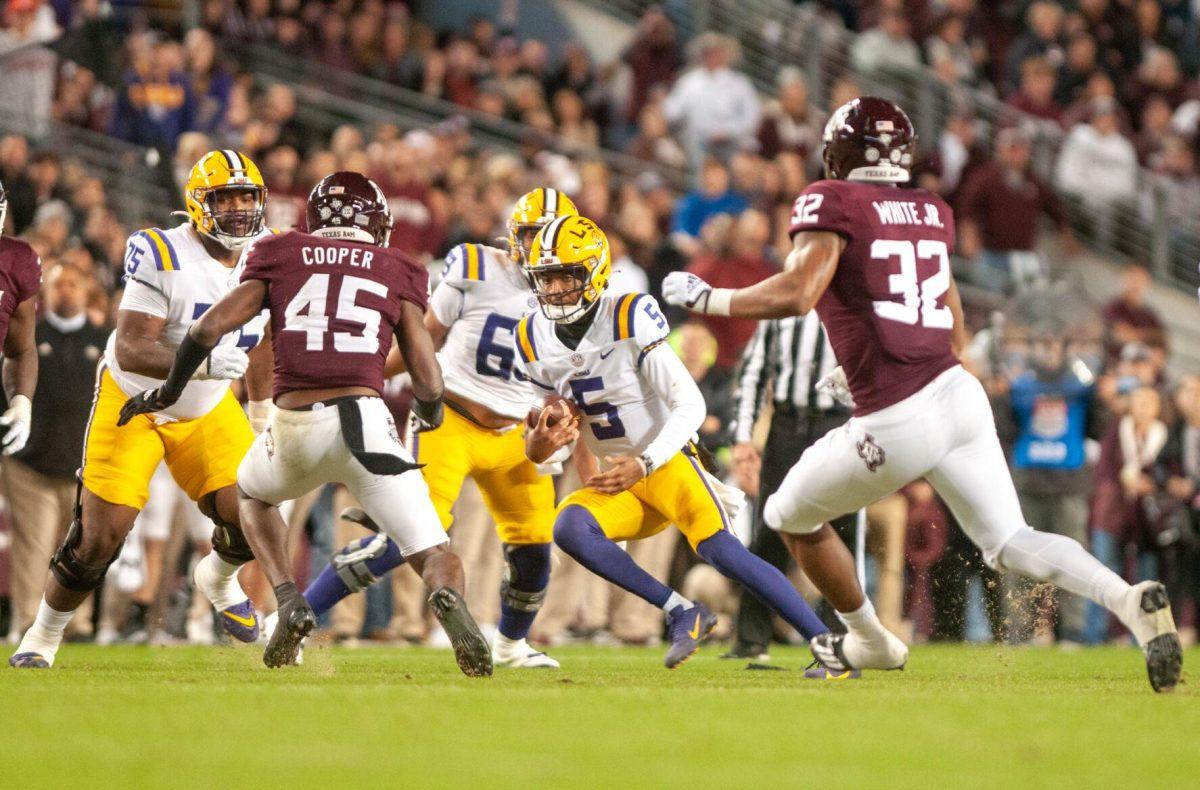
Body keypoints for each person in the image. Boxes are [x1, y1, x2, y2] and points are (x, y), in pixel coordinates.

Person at [663, 96, 1182, 692]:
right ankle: (1126, 598)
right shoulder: (929, 208)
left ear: (839, 151)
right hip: (956, 392)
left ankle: (869, 638)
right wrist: (871, 361)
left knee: (787, 513)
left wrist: (711, 299)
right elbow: (947, 308)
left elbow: (801, 292)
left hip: (897, 413)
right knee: (1011, 541)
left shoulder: (831, 200)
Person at [118, 171, 492, 677]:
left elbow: (208, 328)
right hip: (368, 422)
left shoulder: (281, 251)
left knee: (252, 497)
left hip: (294, 422)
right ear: (377, 223)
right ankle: (448, 599)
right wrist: (428, 415)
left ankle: (288, 597)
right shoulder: (399, 267)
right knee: (434, 551)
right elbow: (428, 378)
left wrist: (170, 386)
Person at [514, 214, 829, 670]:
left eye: (567, 275)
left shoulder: (626, 314)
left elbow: (691, 406)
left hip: (664, 462)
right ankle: (683, 610)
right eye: (546, 278)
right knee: (568, 528)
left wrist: (645, 461)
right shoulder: (531, 336)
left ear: (595, 271)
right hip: (620, 478)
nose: (556, 289)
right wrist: (541, 445)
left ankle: (827, 644)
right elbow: (541, 443)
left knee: (725, 554)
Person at [290, 187, 578, 669]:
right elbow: (424, 338)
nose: (540, 248)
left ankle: (510, 645)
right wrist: (359, 372)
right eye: (531, 234)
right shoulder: (474, 265)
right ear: (514, 234)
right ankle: (300, 617)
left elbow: (568, 381)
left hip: (515, 436)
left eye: (550, 237)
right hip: (450, 421)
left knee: (534, 552)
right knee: (404, 540)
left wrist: (556, 430)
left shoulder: (573, 293)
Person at [10, 151, 274, 669]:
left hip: (206, 411)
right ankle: (43, 635)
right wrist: (201, 363)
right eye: (226, 197)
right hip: (136, 400)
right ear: (199, 204)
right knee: (98, 540)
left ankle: (216, 582)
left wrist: (262, 412)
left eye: (248, 197)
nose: (240, 209)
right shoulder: (163, 252)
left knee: (256, 514)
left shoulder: (267, 254)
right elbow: (132, 347)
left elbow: (262, 342)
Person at [2, 261, 103, 642]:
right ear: (46, 291)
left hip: (84, 467)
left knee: (82, 549)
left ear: (86, 290)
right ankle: (26, 622)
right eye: (59, 285)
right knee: (34, 546)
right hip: (31, 465)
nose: (66, 291)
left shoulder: (105, 338)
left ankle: (76, 625)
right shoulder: (27, 337)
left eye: (73, 285)